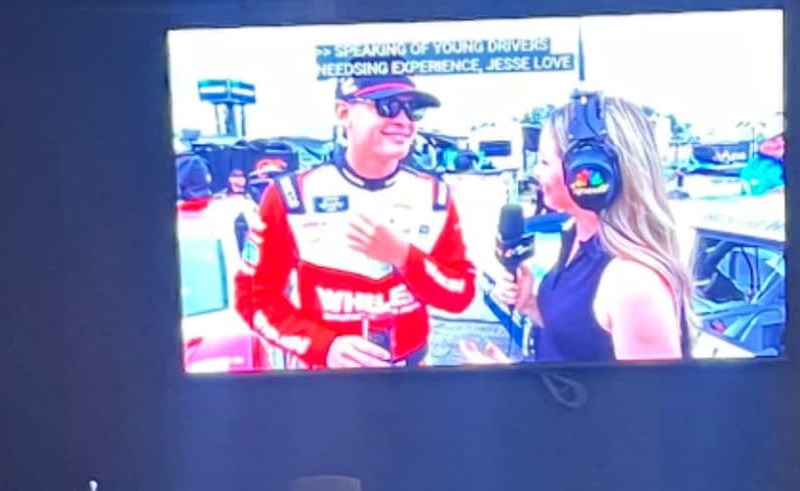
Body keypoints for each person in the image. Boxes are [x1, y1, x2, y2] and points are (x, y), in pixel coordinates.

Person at [238, 70, 481, 368]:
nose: (404, 121)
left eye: (414, 109)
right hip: (324, 384)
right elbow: (253, 298)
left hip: (412, 380)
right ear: (343, 112)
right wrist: (323, 345)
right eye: (387, 105)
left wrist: (404, 257)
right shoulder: (291, 196)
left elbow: (461, 295)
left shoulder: (434, 195)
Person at [519, 90, 695, 363]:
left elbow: (653, 403)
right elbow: (580, 342)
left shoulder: (633, 281)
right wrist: (530, 303)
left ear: (586, 170)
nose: (536, 172)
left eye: (544, 161)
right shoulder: (576, 236)